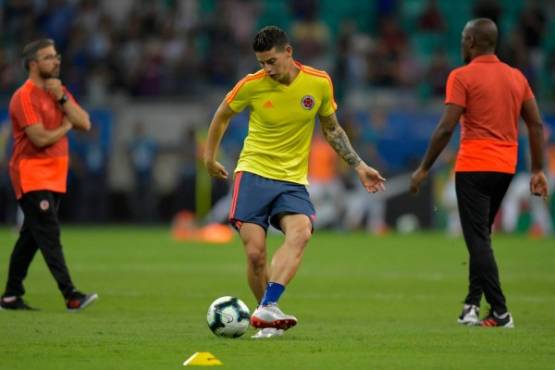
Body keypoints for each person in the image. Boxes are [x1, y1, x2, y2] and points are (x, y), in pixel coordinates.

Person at [204, 26, 385, 338]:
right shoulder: (251, 85)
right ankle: (266, 314)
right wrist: (209, 158)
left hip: (292, 180)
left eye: (271, 61)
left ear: (288, 52)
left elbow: (332, 129)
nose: (267, 69)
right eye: (261, 63)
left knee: (301, 233)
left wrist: (358, 165)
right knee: (255, 255)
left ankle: (268, 307)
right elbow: (221, 116)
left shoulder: (319, 82)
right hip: (253, 174)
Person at [410, 18, 549, 328]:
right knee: (481, 238)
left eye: (463, 37)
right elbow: (536, 124)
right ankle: (471, 305)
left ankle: (500, 311)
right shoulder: (517, 77)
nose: (461, 43)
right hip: (505, 169)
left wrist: (423, 169)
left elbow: (446, 127)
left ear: (471, 41)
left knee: (477, 242)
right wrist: (538, 169)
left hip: (473, 166)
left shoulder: (461, 76)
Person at [0, 39, 98, 311]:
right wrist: (67, 125)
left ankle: (10, 295)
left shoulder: (58, 91)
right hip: (30, 173)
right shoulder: (24, 96)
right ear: (33, 64)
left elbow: (85, 122)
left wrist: (63, 99)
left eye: (56, 56)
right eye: (48, 58)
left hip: (54, 175)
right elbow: (40, 138)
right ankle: (71, 295)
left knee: (31, 236)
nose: (56, 61)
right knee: (49, 232)